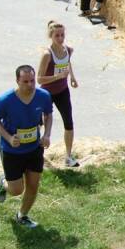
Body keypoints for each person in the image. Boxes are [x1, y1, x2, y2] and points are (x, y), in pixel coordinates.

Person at [0, 65, 53, 228]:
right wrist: (9, 137)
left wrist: (47, 134)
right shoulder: (5, 100)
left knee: (33, 185)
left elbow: (48, 115)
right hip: (12, 151)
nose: (30, 84)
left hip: (34, 148)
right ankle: (3, 182)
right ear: (17, 81)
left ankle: (22, 215)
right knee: (16, 190)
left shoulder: (43, 96)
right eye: (25, 81)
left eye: (32, 80)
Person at [37, 21, 80, 168]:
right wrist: (58, 77)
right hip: (46, 94)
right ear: (51, 36)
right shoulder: (46, 55)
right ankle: (38, 156)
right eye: (57, 35)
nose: (61, 38)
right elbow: (39, 79)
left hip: (63, 91)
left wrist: (72, 77)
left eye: (62, 35)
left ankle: (68, 156)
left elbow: (67, 63)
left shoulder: (68, 49)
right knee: (40, 124)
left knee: (69, 122)